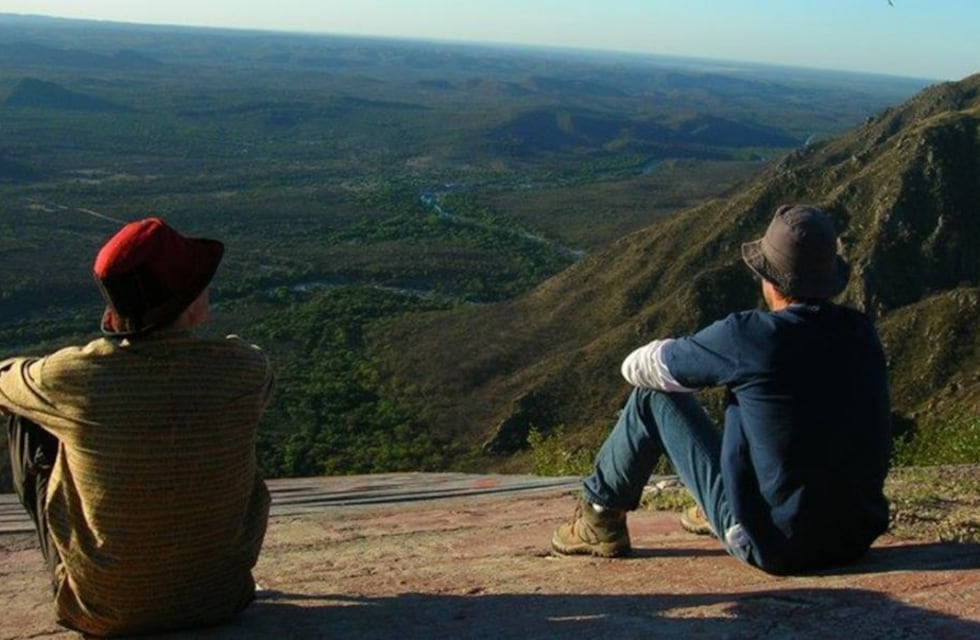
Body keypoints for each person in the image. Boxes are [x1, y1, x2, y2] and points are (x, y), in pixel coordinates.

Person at [551, 204, 892, 575]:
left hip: (777, 546)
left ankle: (599, 517)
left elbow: (636, 367)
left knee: (653, 396)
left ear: (769, 280)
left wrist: (706, 356)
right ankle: (719, 498)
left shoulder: (749, 337)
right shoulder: (861, 331)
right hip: (855, 537)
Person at [1, 218, 275, 636]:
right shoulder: (246, 369)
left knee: (27, 418)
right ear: (189, 302)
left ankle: (95, 574)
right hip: (223, 600)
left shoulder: (73, 377)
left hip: (104, 614)